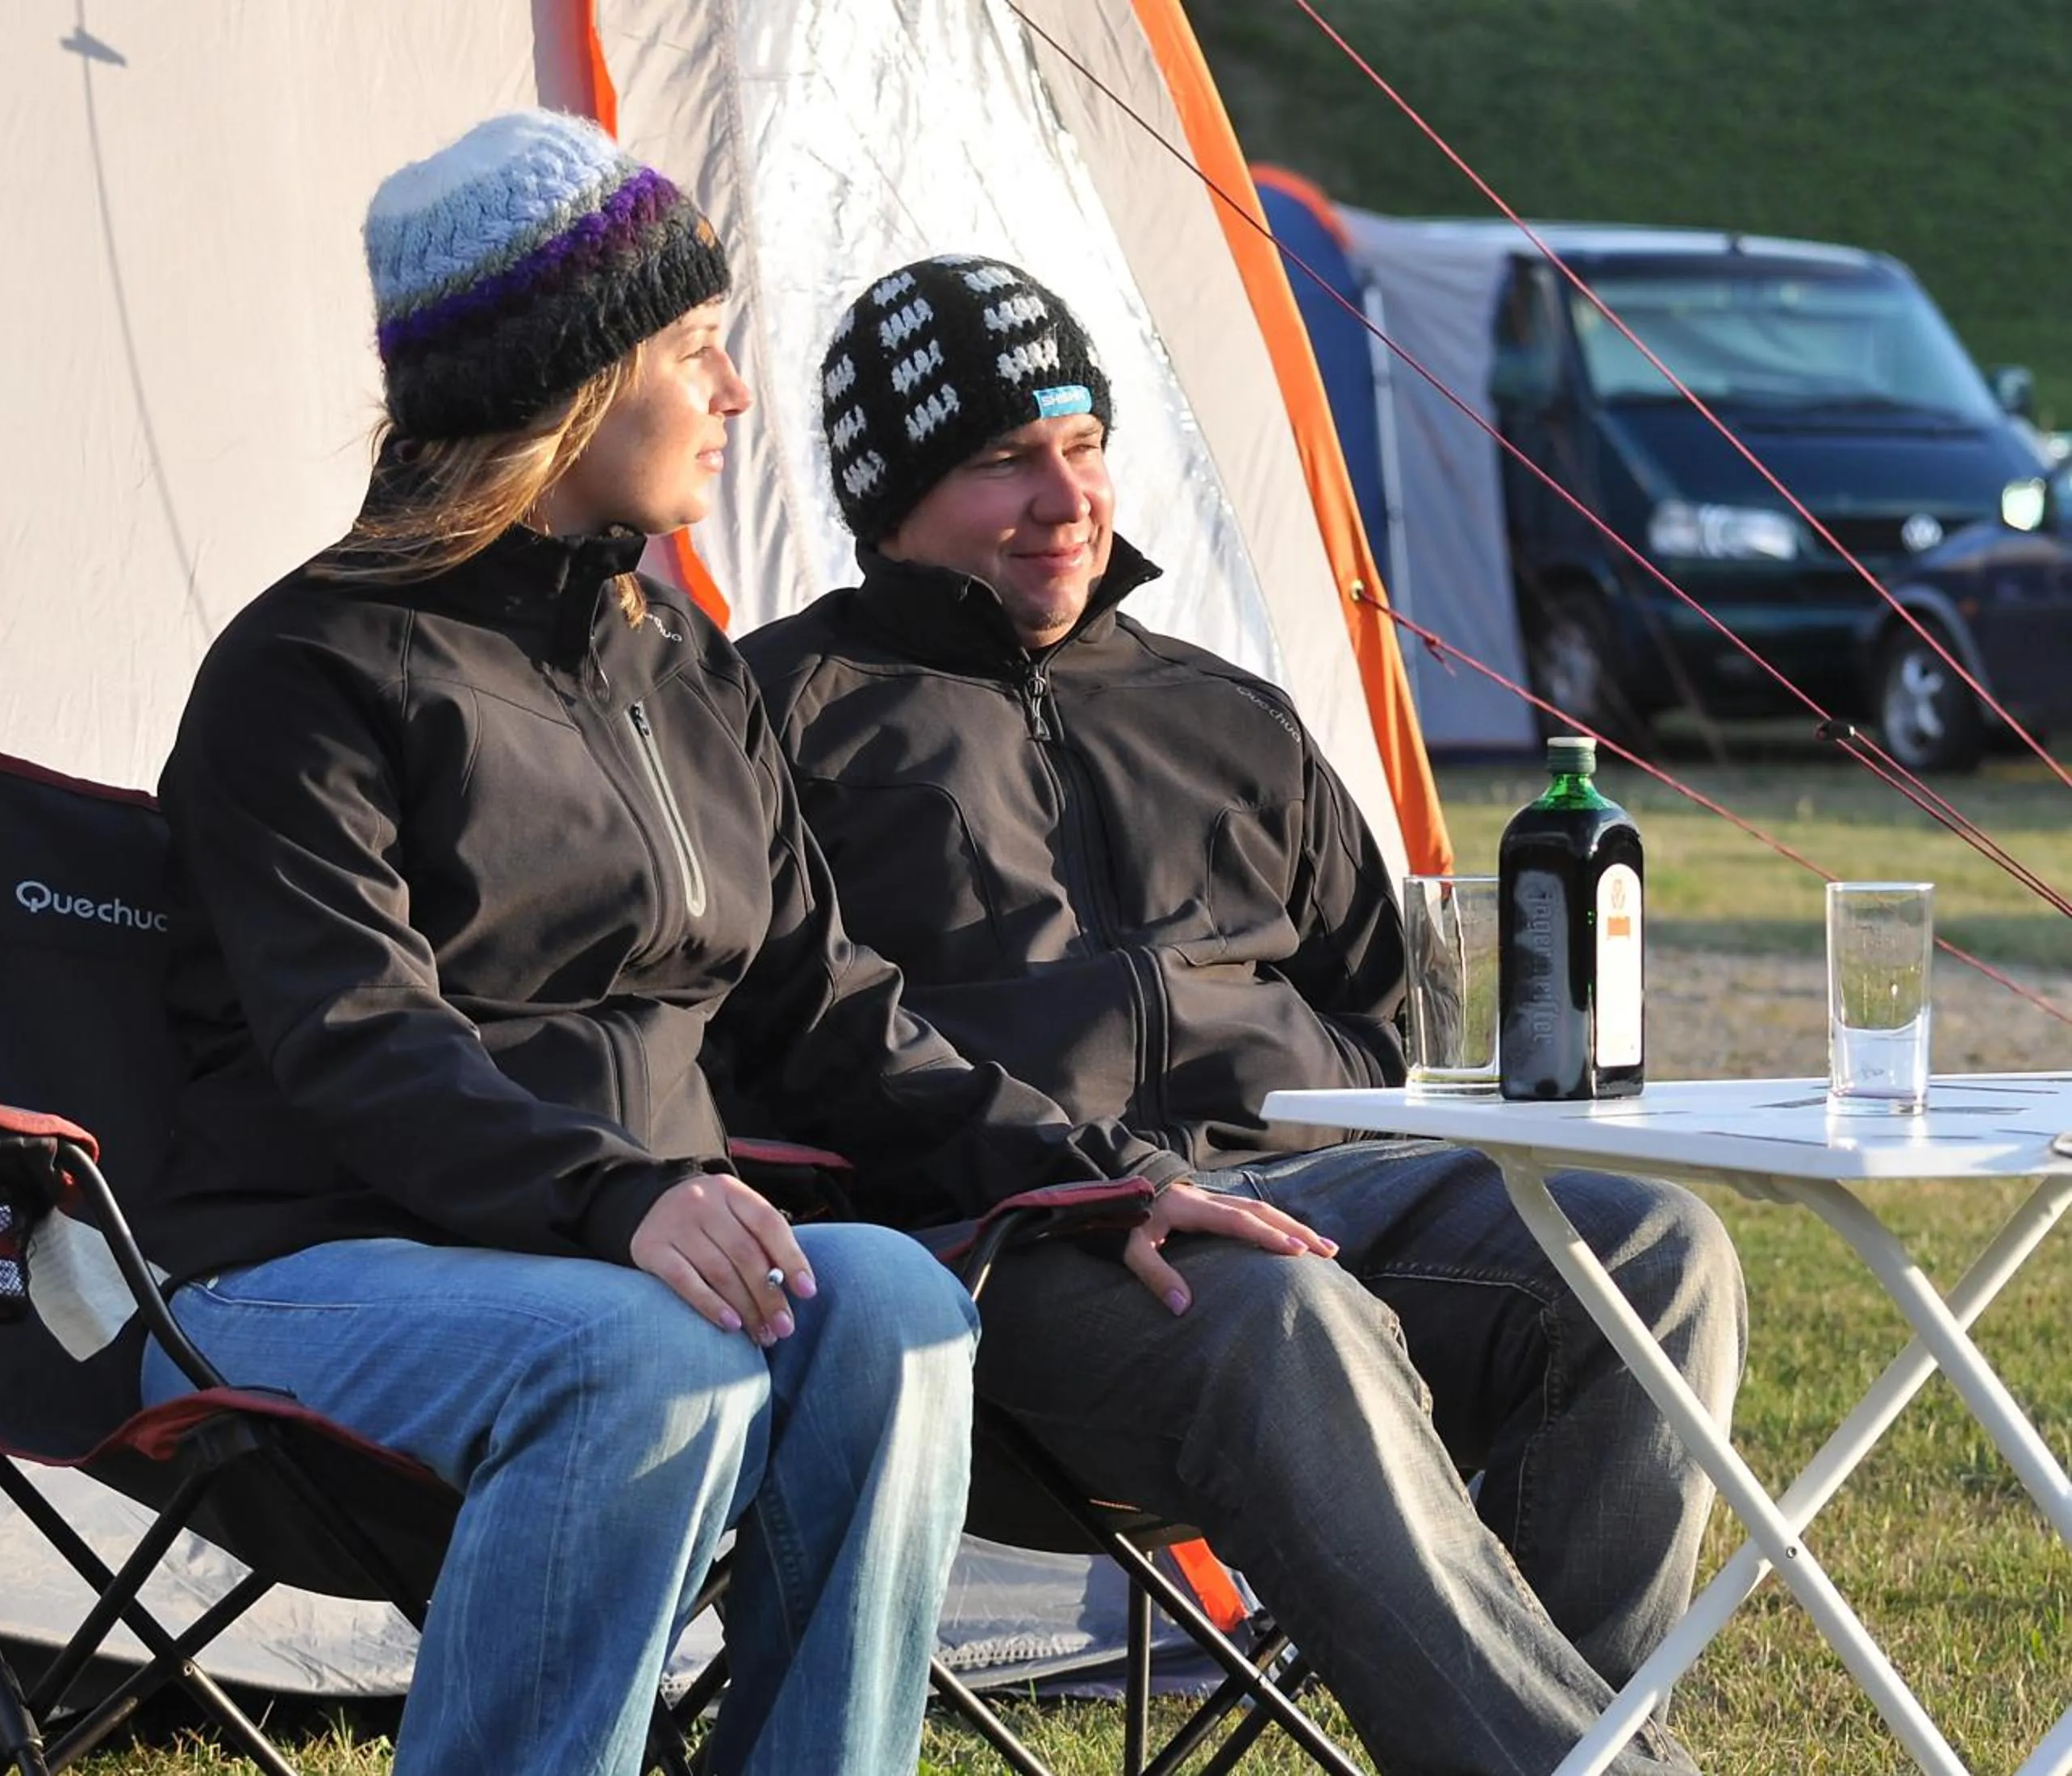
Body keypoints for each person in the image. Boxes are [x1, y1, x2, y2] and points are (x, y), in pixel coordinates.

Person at [138, 128, 1186, 1776]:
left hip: (612, 1261)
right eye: (698, 349)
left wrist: (1100, 1172)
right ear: (571, 383)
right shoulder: (309, 669)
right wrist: (618, 1197)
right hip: (304, 1264)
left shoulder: (677, 660)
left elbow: (828, 1004)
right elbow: (358, 1038)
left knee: (897, 1299)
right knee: (650, 1347)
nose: (737, 395)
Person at [732, 255, 1749, 1776]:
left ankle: (1569, 1742)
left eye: (1083, 445)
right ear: (889, 496)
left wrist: (1291, 1131)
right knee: (1287, 1318)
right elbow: (792, 1034)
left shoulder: (1221, 708)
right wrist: (1099, 1179)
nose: (1066, 498)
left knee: (1648, 1252)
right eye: (1003, 458)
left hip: (1292, 1197)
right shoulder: (782, 712)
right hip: (1000, 1244)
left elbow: (1382, 998)